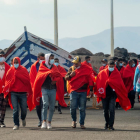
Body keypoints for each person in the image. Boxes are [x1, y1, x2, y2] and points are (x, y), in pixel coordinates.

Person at [33, 54, 67, 129]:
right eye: (51, 58)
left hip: (53, 89)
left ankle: (49, 122)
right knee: (45, 104)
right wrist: (48, 73)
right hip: (44, 88)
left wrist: (55, 80)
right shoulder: (42, 66)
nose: (52, 60)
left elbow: (59, 76)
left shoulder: (54, 67)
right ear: (47, 59)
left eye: (53, 58)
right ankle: (43, 121)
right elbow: (39, 76)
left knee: (52, 106)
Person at [96, 59, 131, 130]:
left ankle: (111, 125)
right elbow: (98, 82)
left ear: (114, 66)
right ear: (107, 66)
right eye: (110, 66)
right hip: (104, 94)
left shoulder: (117, 73)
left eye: (112, 66)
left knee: (112, 110)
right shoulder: (102, 73)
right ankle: (107, 123)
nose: (111, 67)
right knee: (105, 110)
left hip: (112, 95)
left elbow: (120, 84)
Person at [3, 57, 33, 130]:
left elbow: (27, 80)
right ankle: (16, 124)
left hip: (23, 93)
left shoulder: (23, 70)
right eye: (14, 62)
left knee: (24, 109)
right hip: (13, 93)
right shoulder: (10, 70)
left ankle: (23, 118)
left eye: (17, 62)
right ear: (13, 63)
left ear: (19, 62)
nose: (16, 64)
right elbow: (7, 81)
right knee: (15, 109)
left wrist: (18, 76)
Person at [65, 56, 94, 129]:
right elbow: (66, 78)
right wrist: (70, 75)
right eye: (74, 63)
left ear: (80, 62)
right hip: (73, 91)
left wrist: (91, 90)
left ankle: (82, 123)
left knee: (82, 108)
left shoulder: (86, 69)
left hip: (83, 91)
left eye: (76, 63)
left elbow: (90, 79)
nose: (75, 64)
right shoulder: (71, 69)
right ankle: (74, 121)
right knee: (73, 107)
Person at [30, 53, 45, 127]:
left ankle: (43, 120)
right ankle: (40, 119)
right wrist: (33, 88)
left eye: (43, 59)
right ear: (38, 58)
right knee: (38, 106)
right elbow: (32, 78)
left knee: (43, 105)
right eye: (41, 59)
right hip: (36, 89)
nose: (42, 60)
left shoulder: (46, 66)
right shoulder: (34, 66)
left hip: (44, 88)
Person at [0, 51, 10, 127]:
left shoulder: (7, 66)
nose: (2, 57)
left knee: (3, 106)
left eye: (3, 55)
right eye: (0, 55)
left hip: (5, 90)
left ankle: (1, 121)